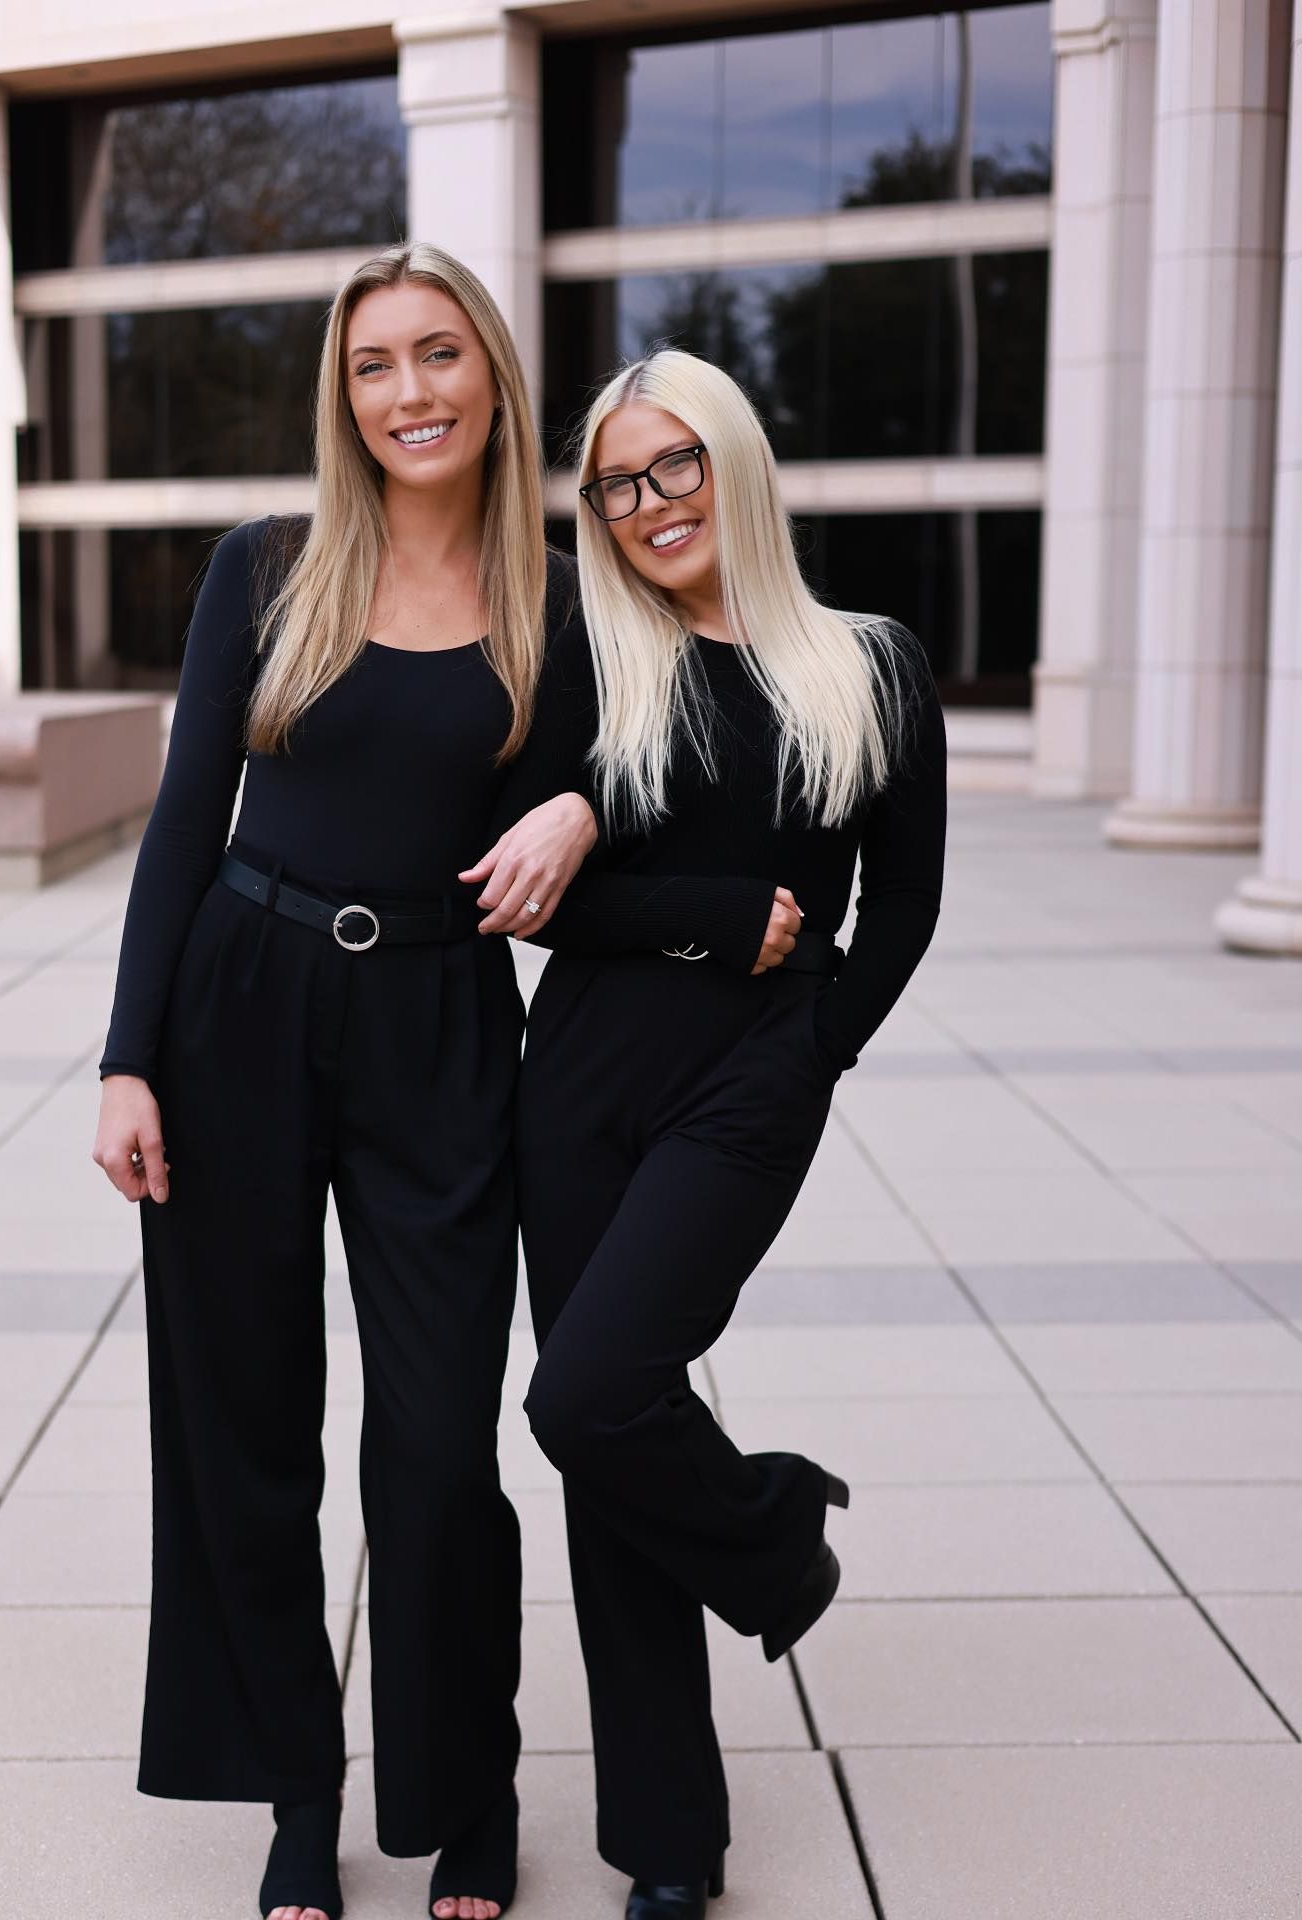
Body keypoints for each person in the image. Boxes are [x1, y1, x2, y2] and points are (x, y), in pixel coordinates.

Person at [91, 242, 596, 1920]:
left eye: (439, 356)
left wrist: (580, 810)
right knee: (241, 1427)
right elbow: (182, 827)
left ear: (493, 379)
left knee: (442, 1442)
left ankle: (465, 1788)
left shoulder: (555, 594)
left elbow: (625, 783)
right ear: (344, 395)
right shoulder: (268, 565)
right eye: (375, 365)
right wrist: (127, 1061)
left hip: (446, 1029)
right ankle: (298, 1794)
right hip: (242, 996)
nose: (410, 394)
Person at [511, 349, 947, 1920]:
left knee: (590, 1395)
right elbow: (517, 896)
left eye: (674, 466)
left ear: (735, 462)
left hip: (745, 1096)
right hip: (573, 1088)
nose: (648, 507)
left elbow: (902, 903)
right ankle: (671, 1848)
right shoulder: (590, 660)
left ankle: (774, 1539)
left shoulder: (870, 663)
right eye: (619, 484)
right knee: (606, 1447)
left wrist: (812, 1052)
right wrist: (704, 909)